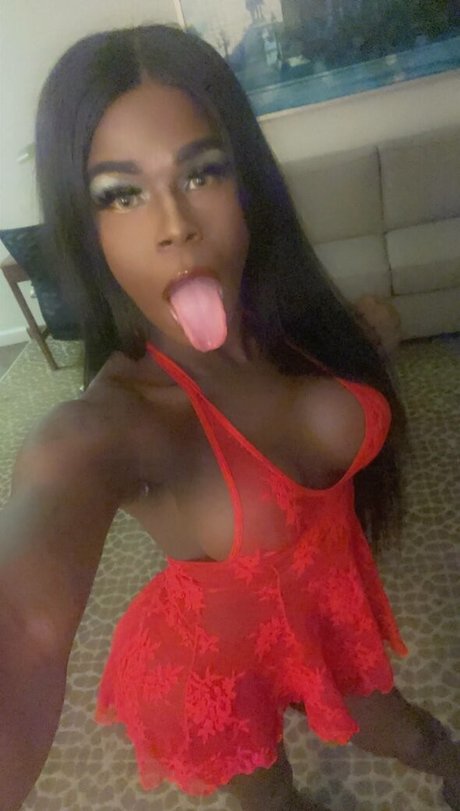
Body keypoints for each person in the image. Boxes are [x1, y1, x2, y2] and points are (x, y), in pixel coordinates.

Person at [0, 24, 458, 811]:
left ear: (247, 183)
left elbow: (360, 345)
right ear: (88, 229)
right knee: (273, 802)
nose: (174, 223)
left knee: (415, 737)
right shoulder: (105, 429)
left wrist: (373, 331)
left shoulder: (301, 329)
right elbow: (23, 625)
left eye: (201, 172)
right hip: (209, 665)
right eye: (121, 194)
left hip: (325, 620)